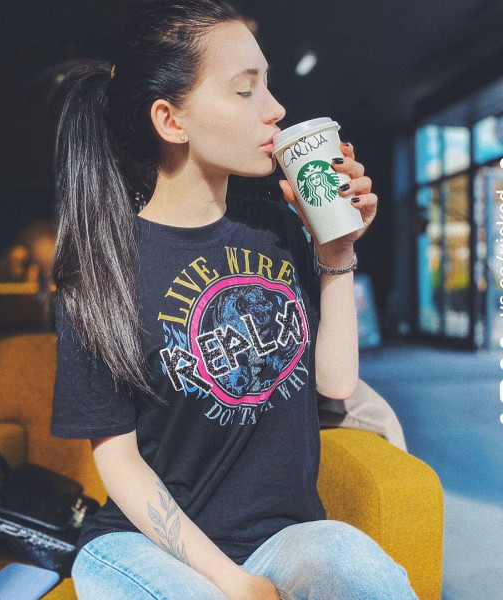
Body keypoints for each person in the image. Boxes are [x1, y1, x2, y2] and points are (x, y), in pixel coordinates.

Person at [50, 1, 418, 599]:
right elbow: (118, 462)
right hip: (143, 545)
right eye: (246, 90)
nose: (275, 109)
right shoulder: (101, 270)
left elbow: (335, 383)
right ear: (171, 120)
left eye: (267, 85)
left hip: (279, 536)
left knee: (368, 576)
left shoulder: (278, 229)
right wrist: (235, 584)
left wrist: (335, 251)